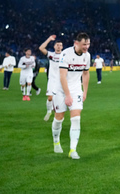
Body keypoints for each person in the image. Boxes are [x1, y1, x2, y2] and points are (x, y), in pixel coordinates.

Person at [51, 32, 91, 160]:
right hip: (61, 89)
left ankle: (73, 150)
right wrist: (67, 95)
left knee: (76, 119)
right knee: (59, 118)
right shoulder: (66, 54)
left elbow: (85, 74)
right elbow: (62, 76)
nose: (87, 47)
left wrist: (84, 91)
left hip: (76, 90)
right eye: (84, 44)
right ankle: (56, 140)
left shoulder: (87, 56)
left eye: (88, 44)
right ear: (76, 43)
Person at [39, 35, 64, 121]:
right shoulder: (51, 55)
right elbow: (41, 48)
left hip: (62, 80)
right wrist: (49, 39)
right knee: (50, 97)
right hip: (52, 79)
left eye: (60, 45)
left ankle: (58, 114)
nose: (59, 46)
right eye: (57, 45)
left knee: (60, 99)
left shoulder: (64, 56)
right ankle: (49, 111)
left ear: (62, 47)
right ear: (54, 46)